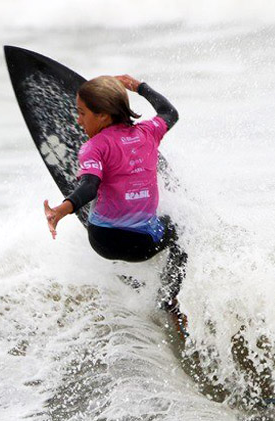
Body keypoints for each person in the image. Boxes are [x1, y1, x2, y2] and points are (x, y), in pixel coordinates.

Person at [43, 74, 186, 313]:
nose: (78, 121)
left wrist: (62, 210)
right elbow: (170, 112)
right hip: (144, 244)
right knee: (183, 230)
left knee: (102, 190)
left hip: (102, 240)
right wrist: (139, 87)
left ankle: (127, 277)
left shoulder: (93, 148)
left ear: (103, 116)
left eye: (82, 113)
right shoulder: (149, 132)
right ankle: (169, 301)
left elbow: (89, 186)